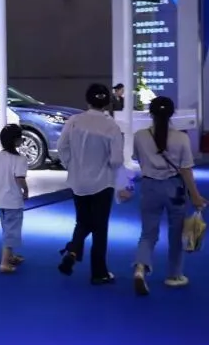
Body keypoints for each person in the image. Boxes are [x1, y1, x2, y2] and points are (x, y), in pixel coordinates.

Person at [131, 95, 207, 295]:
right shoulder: (182, 138)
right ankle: (174, 275)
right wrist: (196, 196)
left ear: (151, 113)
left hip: (149, 187)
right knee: (176, 233)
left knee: (148, 233)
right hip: (175, 188)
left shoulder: (140, 136)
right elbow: (186, 170)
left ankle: (140, 267)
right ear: (173, 114)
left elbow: (137, 159)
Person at [57, 83, 124, 284]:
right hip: (103, 182)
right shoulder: (111, 126)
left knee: (83, 221)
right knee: (100, 228)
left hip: (78, 181)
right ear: (107, 102)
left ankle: (73, 250)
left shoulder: (74, 121)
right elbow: (116, 160)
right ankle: (99, 272)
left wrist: (71, 165)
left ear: (88, 100)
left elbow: (61, 146)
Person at [0, 123, 30, 273]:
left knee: (7, 230)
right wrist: (26, 191)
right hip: (13, 201)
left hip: (0, 200)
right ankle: (4, 263)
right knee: (11, 232)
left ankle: (10, 256)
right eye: (20, 137)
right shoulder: (20, 159)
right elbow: (20, 178)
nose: (22, 140)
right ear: (15, 140)